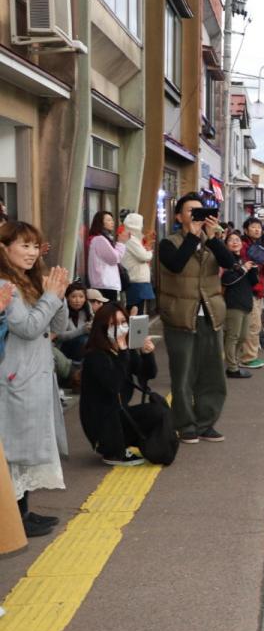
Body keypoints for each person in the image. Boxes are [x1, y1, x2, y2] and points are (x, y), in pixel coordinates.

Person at [0, 221, 70, 538]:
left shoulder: (26, 281)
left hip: (33, 376)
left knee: (24, 449)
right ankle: (14, 518)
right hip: (17, 378)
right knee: (15, 449)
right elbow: (27, 327)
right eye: (23, 245)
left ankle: (22, 513)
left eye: (34, 246)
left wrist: (58, 294)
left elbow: (59, 324)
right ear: (4, 248)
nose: (30, 252)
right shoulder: (5, 284)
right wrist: (51, 296)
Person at [157, 193, 238, 445]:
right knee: (183, 374)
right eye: (191, 212)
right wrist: (192, 236)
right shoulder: (168, 243)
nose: (196, 217)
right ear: (179, 216)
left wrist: (213, 238)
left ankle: (206, 422)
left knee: (212, 373)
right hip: (180, 316)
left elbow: (230, 263)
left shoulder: (212, 241)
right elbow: (176, 265)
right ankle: (185, 424)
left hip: (210, 315)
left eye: (200, 212)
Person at [79, 303, 157, 466]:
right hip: (101, 420)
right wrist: (123, 353)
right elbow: (113, 384)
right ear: (103, 327)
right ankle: (112, 451)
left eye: (123, 322)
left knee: (157, 412)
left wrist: (147, 354)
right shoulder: (95, 356)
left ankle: (138, 447)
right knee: (115, 414)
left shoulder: (124, 350)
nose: (120, 328)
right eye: (113, 324)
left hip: (118, 414)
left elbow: (148, 374)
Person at [220, 232, 258, 380]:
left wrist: (253, 270)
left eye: (237, 240)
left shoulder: (244, 260)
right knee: (233, 336)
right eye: (231, 240)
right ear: (226, 244)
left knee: (242, 337)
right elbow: (226, 280)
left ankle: (235, 362)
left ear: (242, 244)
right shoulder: (226, 262)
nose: (235, 242)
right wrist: (243, 269)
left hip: (246, 303)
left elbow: (252, 282)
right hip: (233, 304)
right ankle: (232, 368)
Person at [240, 217, 264, 370]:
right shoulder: (244, 246)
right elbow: (249, 266)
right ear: (246, 230)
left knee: (254, 324)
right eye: (253, 227)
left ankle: (248, 355)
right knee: (253, 325)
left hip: (257, 290)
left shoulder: (258, 245)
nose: (257, 230)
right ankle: (248, 358)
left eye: (259, 227)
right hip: (250, 290)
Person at [85, 210, 126, 303]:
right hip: (104, 284)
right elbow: (114, 258)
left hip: (104, 283)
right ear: (101, 223)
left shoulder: (102, 238)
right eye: (108, 220)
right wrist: (121, 243)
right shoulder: (100, 239)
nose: (112, 222)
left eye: (112, 220)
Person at [120, 213, 155, 315]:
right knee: (135, 310)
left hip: (137, 279)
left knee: (137, 309)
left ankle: (135, 329)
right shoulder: (131, 240)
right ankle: (134, 330)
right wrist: (149, 251)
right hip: (136, 280)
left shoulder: (133, 239)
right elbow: (143, 256)